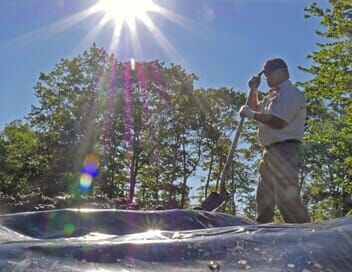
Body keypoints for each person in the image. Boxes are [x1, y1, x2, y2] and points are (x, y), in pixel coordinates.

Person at [239, 58, 310, 224]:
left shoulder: (291, 93)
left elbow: (279, 121)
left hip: (285, 150)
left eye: (269, 74)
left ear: (282, 72)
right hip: (269, 152)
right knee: (264, 198)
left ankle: (304, 235)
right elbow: (255, 108)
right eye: (265, 76)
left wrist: (252, 115)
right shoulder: (273, 95)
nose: (267, 79)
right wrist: (253, 90)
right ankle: (264, 233)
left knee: (286, 198)